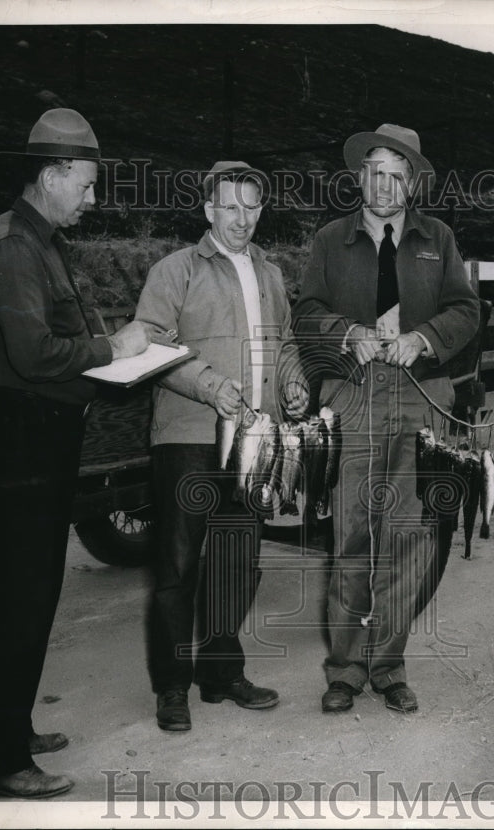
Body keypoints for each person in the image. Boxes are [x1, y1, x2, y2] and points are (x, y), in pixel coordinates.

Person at [0, 108, 154, 798]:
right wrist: (116, 350)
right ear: (52, 175)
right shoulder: (15, 246)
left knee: (33, 591)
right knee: (15, 598)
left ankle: (10, 730)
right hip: (21, 438)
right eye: (86, 185)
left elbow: (58, 330)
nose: (92, 199)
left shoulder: (41, 240)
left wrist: (110, 347)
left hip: (40, 434)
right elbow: (34, 352)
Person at [293, 124, 480, 714]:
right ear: (359, 178)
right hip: (351, 396)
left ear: (413, 183)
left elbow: (466, 310)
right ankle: (345, 669)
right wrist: (347, 334)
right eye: (374, 171)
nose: (383, 185)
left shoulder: (438, 239)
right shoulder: (329, 241)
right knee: (350, 533)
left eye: (396, 174)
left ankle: (389, 665)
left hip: (419, 398)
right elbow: (307, 312)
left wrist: (424, 339)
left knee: (410, 535)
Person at [133, 161, 309, 732]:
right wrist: (210, 385)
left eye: (251, 207)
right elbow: (150, 344)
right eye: (229, 207)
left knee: (237, 560)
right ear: (209, 210)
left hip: (253, 441)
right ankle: (171, 687)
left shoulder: (272, 274)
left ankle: (221, 674)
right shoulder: (175, 270)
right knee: (178, 565)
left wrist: (293, 383)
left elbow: (283, 346)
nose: (242, 219)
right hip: (187, 437)